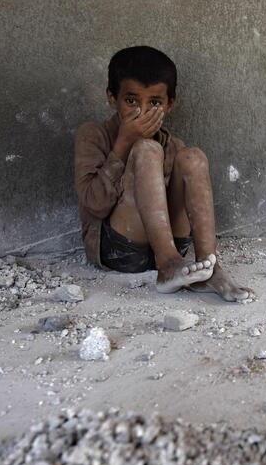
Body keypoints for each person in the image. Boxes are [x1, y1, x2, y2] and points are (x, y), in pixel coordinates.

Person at [74, 46, 253, 302]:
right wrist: (123, 144)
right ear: (112, 98)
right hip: (120, 250)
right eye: (131, 101)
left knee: (193, 156)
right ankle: (166, 264)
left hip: (177, 249)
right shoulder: (93, 135)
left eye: (155, 102)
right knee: (146, 149)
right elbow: (94, 205)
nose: (142, 112)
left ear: (170, 104)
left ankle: (210, 266)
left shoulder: (174, 147)